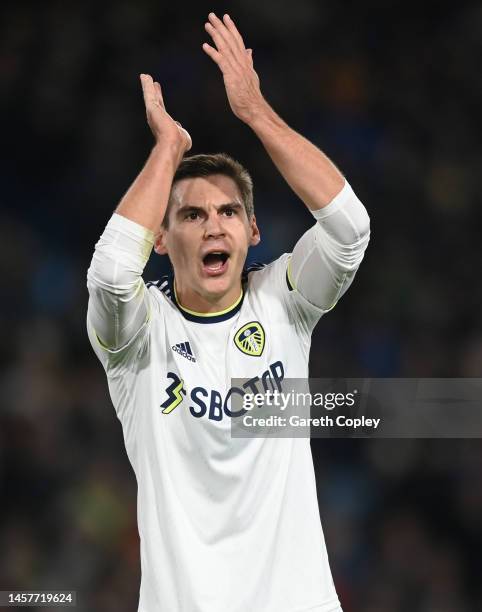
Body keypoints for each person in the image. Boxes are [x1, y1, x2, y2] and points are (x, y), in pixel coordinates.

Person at [87, 11, 370, 612]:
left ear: (253, 231)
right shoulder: (140, 337)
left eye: (229, 212)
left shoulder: (284, 302)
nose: (213, 223)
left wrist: (255, 112)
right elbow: (112, 275)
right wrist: (169, 149)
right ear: (160, 240)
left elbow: (350, 230)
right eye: (191, 215)